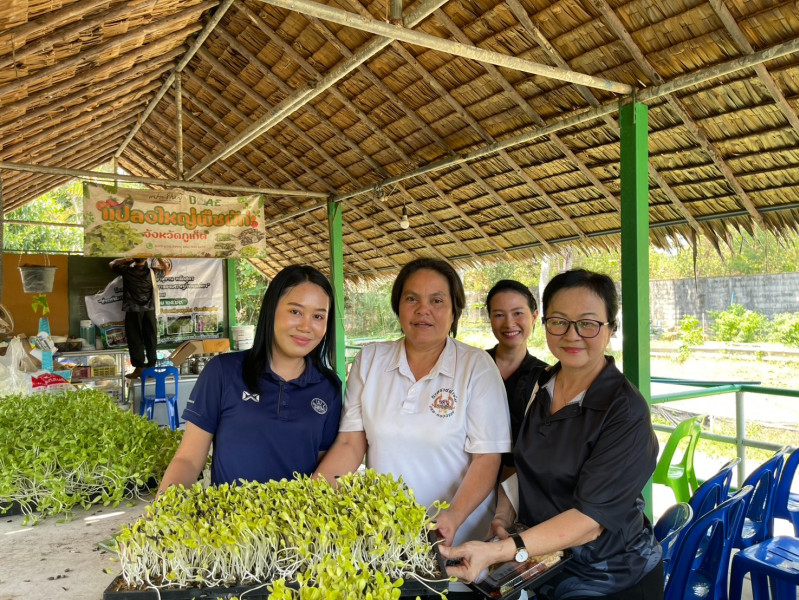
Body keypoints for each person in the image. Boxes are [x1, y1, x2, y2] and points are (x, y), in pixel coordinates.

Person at [440, 269, 663, 600]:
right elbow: (522, 466)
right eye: (559, 321)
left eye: (588, 323)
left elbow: (590, 521)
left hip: (610, 576)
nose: (572, 335)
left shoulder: (625, 411)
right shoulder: (539, 385)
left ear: (611, 328)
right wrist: (503, 516)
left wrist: (501, 549)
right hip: (547, 568)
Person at [316, 258, 511, 557]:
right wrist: (313, 497)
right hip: (386, 532)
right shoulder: (370, 360)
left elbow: (486, 458)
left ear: (454, 310)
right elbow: (350, 443)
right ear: (398, 307)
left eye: (437, 300)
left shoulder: (476, 367)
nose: (423, 310)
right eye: (411, 299)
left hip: (458, 537)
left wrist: (453, 516)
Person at [157, 265, 342, 494]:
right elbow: (188, 460)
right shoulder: (223, 372)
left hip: (297, 517)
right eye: (295, 311)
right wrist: (164, 508)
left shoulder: (328, 388)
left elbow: (325, 467)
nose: (306, 327)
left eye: (318, 316)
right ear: (271, 309)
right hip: (230, 516)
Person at [485, 280, 548, 480]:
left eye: (518, 313)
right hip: (467, 477)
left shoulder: (546, 376)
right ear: (490, 318)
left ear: (534, 317)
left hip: (523, 482)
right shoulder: (473, 366)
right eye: (499, 315)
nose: (509, 323)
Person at [109, 257, 166, 378]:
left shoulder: (126, 270)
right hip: (149, 309)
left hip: (133, 309)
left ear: (134, 259)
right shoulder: (152, 272)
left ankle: (139, 368)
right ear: (146, 259)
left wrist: (128, 260)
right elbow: (167, 270)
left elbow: (111, 264)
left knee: (135, 338)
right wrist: (159, 258)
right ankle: (151, 367)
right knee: (150, 337)